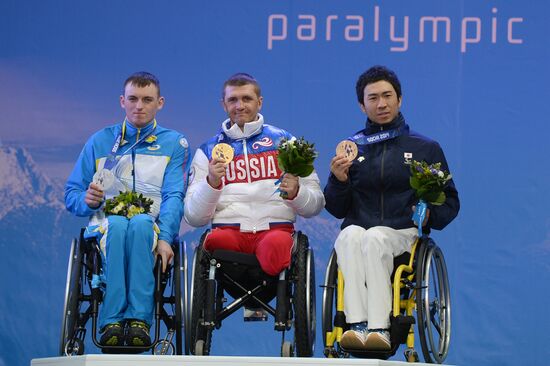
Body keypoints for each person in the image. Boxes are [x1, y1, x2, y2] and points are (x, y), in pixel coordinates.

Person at [324, 65, 459, 351]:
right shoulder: (352, 148)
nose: (381, 103)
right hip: (359, 229)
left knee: (374, 238)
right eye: (372, 98)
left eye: (387, 96)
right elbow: (336, 208)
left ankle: (379, 327)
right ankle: (356, 325)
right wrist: (339, 180)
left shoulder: (425, 148)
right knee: (347, 236)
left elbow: (450, 201)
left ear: (400, 99)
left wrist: (428, 214)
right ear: (362, 105)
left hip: (402, 233)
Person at [65, 72, 190, 348]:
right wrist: (88, 200)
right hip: (105, 226)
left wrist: (167, 238)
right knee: (119, 225)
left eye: (147, 100)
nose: (139, 106)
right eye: (133, 99)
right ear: (122, 101)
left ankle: (138, 321)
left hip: (152, 227)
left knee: (142, 223)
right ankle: (111, 320)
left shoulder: (174, 143)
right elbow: (72, 194)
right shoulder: (99, 141)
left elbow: (174, 196)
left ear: (160, 103)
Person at [184, 73, 324, 299]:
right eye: (233, 100)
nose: (240, 106)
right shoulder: (207, 151)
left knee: (278, 245)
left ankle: (262, 293)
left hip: (274, 230)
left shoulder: (286, 143)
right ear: (223, 104)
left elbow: (315, 205)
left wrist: (297, 192)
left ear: (259, 102)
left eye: (247, 99)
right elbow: (193, 217)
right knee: (215, 242)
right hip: (229, 231)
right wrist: (211, 183)